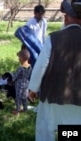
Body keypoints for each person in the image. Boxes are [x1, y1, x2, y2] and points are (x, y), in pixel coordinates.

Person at [28, 1, 81, 141]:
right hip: (78, 102)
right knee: (71, 133)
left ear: (66, 18)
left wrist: (33, 89)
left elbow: (40, 66)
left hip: (52, 97)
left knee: (46, 131)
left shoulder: (54, 38)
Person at [12, 49, 32, 115]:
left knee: (18, 98)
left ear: (21, 58)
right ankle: (25, 108)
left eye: (18, 58)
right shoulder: (30, 67)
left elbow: (15, 76)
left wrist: (11, 81)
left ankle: (18, 110)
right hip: (26, 84)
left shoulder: (20, 68)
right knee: (25, 97)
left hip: (19, 85)